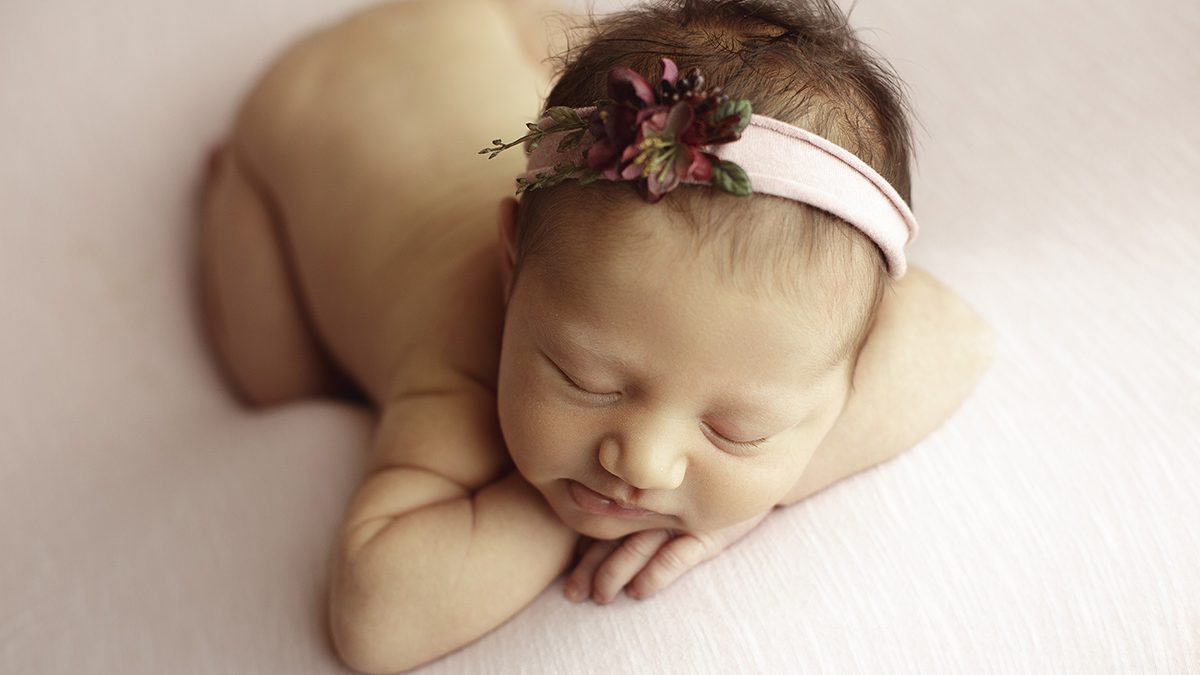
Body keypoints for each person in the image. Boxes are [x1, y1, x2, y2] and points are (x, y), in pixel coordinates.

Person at [197, 0, 995, 671]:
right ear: (512, 266)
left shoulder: (785, 318)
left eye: (735, 426)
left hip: (463, 41)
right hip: (301, 112)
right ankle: (231, 179)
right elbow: (375, 621)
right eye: (588, 381)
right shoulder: (462, 372)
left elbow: (956, 334)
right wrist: (563, 508)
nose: (642, 463)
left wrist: (752, 498)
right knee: (274, 377)